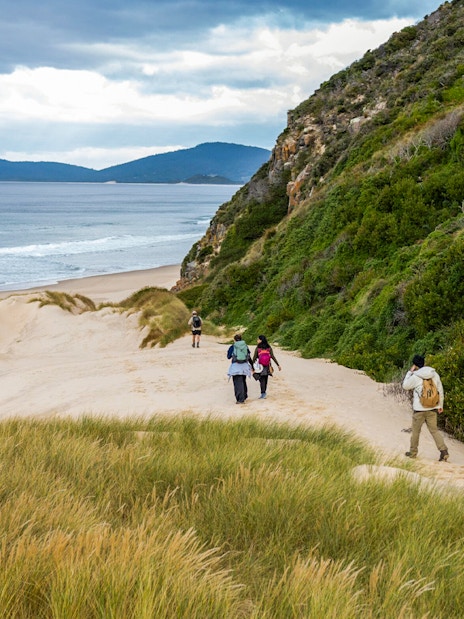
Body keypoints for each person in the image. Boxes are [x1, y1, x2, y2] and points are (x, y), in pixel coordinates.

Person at [402, 354, 448, 461]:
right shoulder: (434, 374)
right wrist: (440, 405)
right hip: (433, 407)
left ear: (415, 365)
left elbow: (405, 386)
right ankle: (444, 451)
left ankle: (413, 453)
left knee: (416, 432)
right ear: (424, 363)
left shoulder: (416, 376)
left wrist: (409, 372)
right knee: (434, 431)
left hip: (419, 409)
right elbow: (440, 390)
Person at [252, 335, 281, 399]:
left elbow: (254, 357)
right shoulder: (269, 347)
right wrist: (278, 365)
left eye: (258, 339)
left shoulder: (258, 348)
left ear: (261, 340)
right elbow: (272, 357)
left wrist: (252, 366)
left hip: (260, 366)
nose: (257, 341)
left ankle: (263, 393)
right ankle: (264, 392)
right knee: (265, 379)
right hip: (267, 365)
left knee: (261, 379)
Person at [227, 334, 252, 404]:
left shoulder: (233, 346)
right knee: (243, 381)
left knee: (237, 383)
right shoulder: (245, 346)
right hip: (245, 366)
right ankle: (244, 396)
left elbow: (228, 356)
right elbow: (249, 356)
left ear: (234, 339)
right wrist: (252, 366)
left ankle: (240, 399)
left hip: (236, 367)